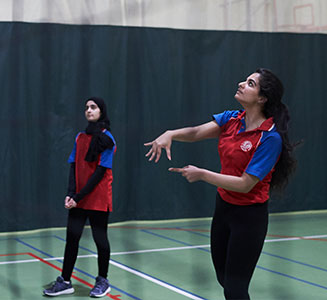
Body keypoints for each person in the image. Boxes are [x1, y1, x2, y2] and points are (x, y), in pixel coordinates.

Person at [144, 68, 298, 299]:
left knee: (235, 289)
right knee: (224, 278)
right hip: (224, 209)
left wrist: (202, 174)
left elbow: (246, 184)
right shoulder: (232, 119)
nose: (241, 84)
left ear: (262, 98)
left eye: (250, 84)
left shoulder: (269, 138)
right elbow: (196, 132)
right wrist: (171, 134)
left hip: (250, 218)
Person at [44, 97, 116, 298]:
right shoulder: (80, 138)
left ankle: (103, 280)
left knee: (100, 239)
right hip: (78, 198)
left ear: (101, 111)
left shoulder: (108, 139)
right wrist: (70, 194)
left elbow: (100, 172)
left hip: (99, 198)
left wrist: (78, 196)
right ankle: (65, 281)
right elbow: (73, 166)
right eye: (86, 108)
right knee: (72, 239)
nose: (89, 110)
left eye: (93, 107)